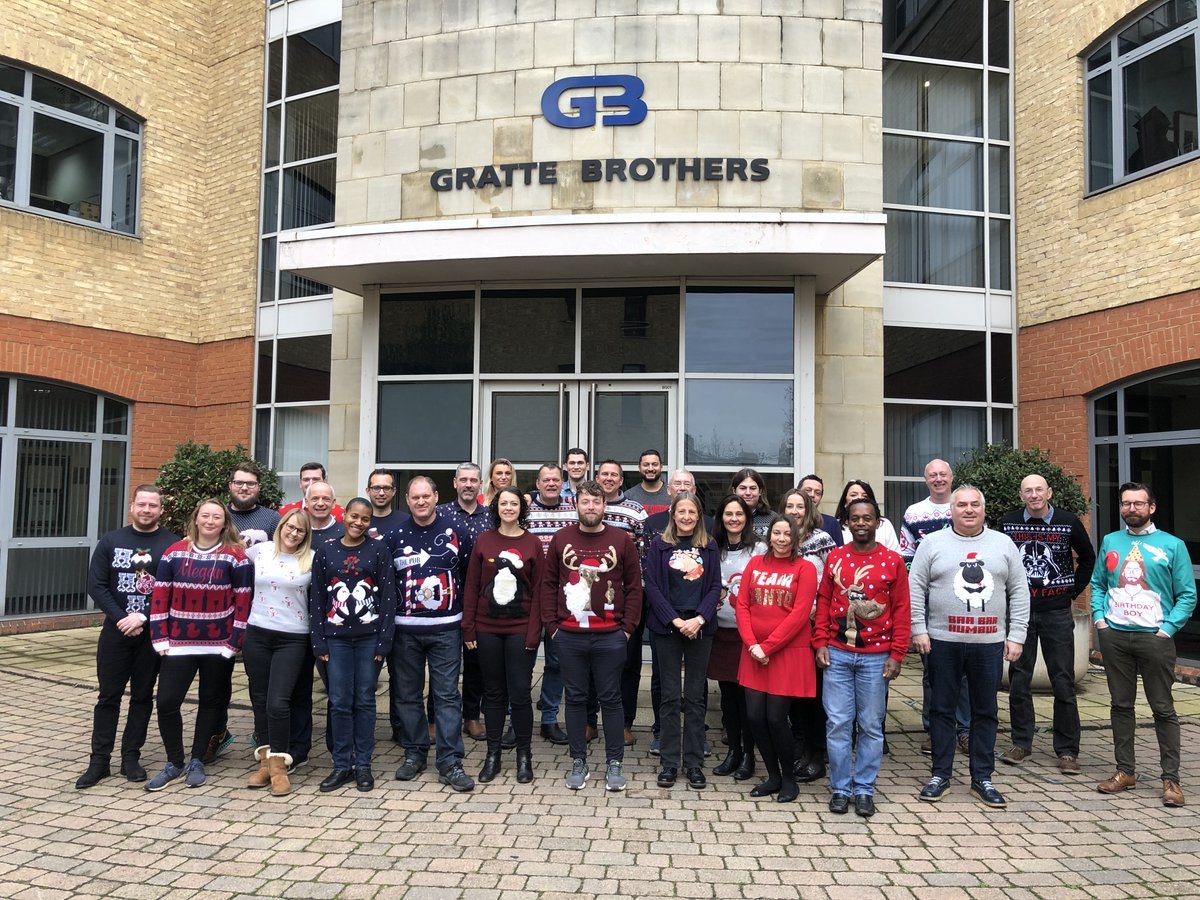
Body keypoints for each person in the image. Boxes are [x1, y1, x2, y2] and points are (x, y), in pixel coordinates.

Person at [910, 486, 1029, 808]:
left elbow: (1019, 591)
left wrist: (1016, 635)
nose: (969, 509)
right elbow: (914, 589)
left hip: (988, 645)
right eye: (962, 504)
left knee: (985, 712)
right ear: (951, 510)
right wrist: (918, 630)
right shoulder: (932, 544)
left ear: (983, 509)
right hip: (942, 643)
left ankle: (982, 777)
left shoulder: (1003, 544)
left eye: (975, 504)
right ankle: (940, 775)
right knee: (942, 710)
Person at [1092, 482, 1196, 808]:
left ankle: (1171, 780)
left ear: (1151, 507)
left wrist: (1168, 629)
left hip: (1155, 639)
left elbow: (1187, 595)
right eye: (1126, 504)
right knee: (1121, 706)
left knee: (1162, 709)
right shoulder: (1111, 541)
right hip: (1116, 637)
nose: (1131, 509)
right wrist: (1100, 620)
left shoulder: (1173, 545)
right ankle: (1125, 771)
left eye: (1138, 503)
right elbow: (1098, 584)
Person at [538, 480, 643, 792]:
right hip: (569, 635)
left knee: (611, 699)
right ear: (576, 504)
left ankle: (614, 762)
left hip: (610, 636)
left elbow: (635, 587)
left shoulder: (621, 540)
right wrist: (552, 627)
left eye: (597, 503)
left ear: (604, 506)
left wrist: (627, 630)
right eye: (585, 502)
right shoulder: (561, 539)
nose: (591, 508)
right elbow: (547, 584)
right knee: (576, 699)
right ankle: (578, 761)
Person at [76, 485, 179, 789]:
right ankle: (99, 762)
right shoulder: (111, 541)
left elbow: (171, 589)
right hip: (115, 633)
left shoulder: (172, 545)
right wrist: (122, 618)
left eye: (153, 506)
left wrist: (142, 616)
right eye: (142, 504)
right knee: (108, 697)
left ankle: (130, 758)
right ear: (132, 506)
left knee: (142, 697)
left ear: (161, 510)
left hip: (151, 635)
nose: (147, 510)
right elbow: (97, 586)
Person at [814, 497, 911, 818]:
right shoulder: (836, 559)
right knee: (838, 724)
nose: (860, 523)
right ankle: (841, 788)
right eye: (855, 518)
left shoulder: (892, 561)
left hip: (876, 656)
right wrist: (820, 643)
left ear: (877, 522)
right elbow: (825, 601)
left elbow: (901, 610)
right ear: (847, 522)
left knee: (870, 725)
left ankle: (865, 787)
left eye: (866, 518)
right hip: (838, 653)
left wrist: (897, 653)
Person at [146, 499, 252, 791]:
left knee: (211, 703)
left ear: (224, 522)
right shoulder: (173, 554)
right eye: (205, 515)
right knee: (167, 702)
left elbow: (243, 601)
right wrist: (159, 638)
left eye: (216, 517)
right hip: (178, 644)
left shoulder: (236, 557)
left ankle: (197, 760)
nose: (210, 521)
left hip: (218, 646)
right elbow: (160, 598)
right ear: (195, 519)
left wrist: (234, 643)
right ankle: (174, 761)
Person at [998, 473, 1096, 775]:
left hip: (1056, 612)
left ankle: (1067, 750)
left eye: (1039, 489)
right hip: (1020, 612)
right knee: (1019, 678)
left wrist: (1071, 592)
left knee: (1063, 680)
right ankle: (1021, 743)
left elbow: (1088, 558)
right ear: (1021, 495)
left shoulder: (1067, 521)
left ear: (1049, 492)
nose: (1034, 495)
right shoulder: (1008, 522)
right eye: (1028, 490)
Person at [386, 476, 474, 792]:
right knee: (407, 695)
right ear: (407, 500)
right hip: (405, 631)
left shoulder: (456, 532)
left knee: (447, 696)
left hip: (446, 629)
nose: (421, 502)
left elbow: (468, 574)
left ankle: (450, 761)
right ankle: (415, 753)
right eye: (415, 497)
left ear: (436, 497)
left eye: (426, 496)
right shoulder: (394, 535)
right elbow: (386, 583)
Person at [311, 498, 397, 792]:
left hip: (369, 639)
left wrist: (384, 641)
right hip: (335, 640)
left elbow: (387, 596)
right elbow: (318, 599)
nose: (358, 522)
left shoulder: (378, 549)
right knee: (338, 701)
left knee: (364, 700)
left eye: (365, 519)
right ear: (344, 515)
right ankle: (341, 765)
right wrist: (318, 641)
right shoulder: (326, 550)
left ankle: (363, 765)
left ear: (370, 522)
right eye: (354, 516)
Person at [462, 486, 544, 784]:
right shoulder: (484, 540)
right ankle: (493, 754)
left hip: (521, 630)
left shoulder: (533, 543)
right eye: (503, 503)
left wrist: (534, 632)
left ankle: (524, 756)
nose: (508, 508)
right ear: (495, 508)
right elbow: (472, 586)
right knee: (493, 694)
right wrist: (468, 626)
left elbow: (539, 593)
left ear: (521, 509)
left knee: (520, 693)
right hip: (486, 629)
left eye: (513, 504)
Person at [736, 515, 818, 803]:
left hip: (786, 654)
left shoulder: (805, 569)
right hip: (754, 653)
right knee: (755, 717)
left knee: (776, 717)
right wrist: (752, 644)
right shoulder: (755, 564)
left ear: (795, 538)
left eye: (787, 534)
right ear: (769, 536)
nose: (781, 539)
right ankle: (771, 776)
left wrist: (767, 647)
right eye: (777, 533)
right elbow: (743, 604)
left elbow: (799, 614)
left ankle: (788, 779)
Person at [643, 492, 721, 790]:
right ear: (673, 514)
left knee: (695, 697)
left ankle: (693, 762)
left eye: (692, 512)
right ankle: (669, 763)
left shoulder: (709, 546)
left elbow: (715, 585)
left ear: (699, 516)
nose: (687, 517)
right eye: (681, 512)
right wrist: (674, 620)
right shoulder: (659, 546)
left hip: (699, 627)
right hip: (668, 627)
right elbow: (651, 585)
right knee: (670, 695)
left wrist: (698, 618)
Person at [242, 509, 314, 796]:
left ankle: (281, 764)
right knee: (259, 699)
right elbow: (225, 549)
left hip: (293, 636)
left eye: (300, 531)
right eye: (290, 527)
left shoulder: (310, 559)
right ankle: (265, 763)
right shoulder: (259, 551)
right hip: (257, 632)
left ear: (306, 536)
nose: (293, 533)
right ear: (281, 526)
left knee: (278, 701)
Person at [902, 458, 969, 756]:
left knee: (965, 670)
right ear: (925, 479)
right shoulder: (914, 513)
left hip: (967, 597)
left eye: (943, 474)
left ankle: (965, 729)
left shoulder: (967, 505)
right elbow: (906, 555)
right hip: (930, 600)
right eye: (933, 475)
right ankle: (933, 729)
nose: (938, 479)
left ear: (951, 477)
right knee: (932, 669)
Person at [778, 488, 835, 783]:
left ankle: (817, 755)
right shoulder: (782, 541)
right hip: (787, 629)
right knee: (795, 696)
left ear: (809, 509)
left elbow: (834, 581)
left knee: (815, 696)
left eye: (800, 506)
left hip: (814, 628)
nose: (796, 510)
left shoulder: (821, 540)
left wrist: (814, 608)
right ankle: (800, 751)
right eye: (790, 505)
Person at [709, 495, 765, 782]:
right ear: (721, 518)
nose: (733, 519)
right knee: (728, 698)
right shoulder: (712, 548)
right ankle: (732, 750)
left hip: (749, 636)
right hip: (721, 633)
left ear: (747, 518)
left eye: (739, 514)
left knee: (747, 700)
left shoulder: (760, 550)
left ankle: (748, 755)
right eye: (728, 514)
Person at [435, 462, 491, 742]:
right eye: (464, 480)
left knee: (475, 662)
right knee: (442, 664)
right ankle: (435, 718)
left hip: (480, 601)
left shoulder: (490, 516)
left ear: (481, 484)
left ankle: (471, 717)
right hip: (445, 600)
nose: (469, 485)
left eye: (474, 480)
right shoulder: (440, 514)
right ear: (455, 483)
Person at [596, 459, 649, 746]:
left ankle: (625, 723)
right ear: (597, 477)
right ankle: (591, 722)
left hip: (627, 594)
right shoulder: (588, 505)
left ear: (620, 479)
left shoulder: (635, 511)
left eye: (614, 475)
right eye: (604, 474)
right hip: (592, 596)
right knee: (592, 659)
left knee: (628, 661)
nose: (609, 478)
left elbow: (643, 554)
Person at [525, 463, 577, 745]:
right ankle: (517, 718)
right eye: (546, 480)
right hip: (529, 597)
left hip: (562, 597)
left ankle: (549, 719)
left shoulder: (573, 509)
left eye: (555, 480)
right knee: (524, 660)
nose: (551, 484)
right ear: (538, 483)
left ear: (562, 482)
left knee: (557, 662)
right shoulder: (526, 511)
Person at [834, 480, 900, 553]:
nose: (859, 498)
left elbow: (895, 554)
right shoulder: (835, 525)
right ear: (844, 501)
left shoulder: (884, 524)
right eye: (853, 495)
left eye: (865, 496)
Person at [226, 462, 281, 549]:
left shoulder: (272, 519)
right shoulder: (218, 517)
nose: (244, 488)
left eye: (251, 483)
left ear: (259, 487)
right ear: (230, 486)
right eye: (239, 482)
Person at [279, 461, 345, 522]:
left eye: (316, 479)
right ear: (300, 483)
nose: (311, 483)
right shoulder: (284, 513)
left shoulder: (341, 513)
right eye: (306, 479)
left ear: (325, 482)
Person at [797, 474, 845, 547]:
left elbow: (839, 554)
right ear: (797, 493)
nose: (812, 495)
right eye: (807, 490)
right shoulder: (787, 521)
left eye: (817, 493)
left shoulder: (831, 523)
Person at [624, 448, 671, 515]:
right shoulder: (629, 497)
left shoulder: (672, 494)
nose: (650, 469)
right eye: (646, 465)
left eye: (654, 464)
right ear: (639, 468)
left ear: (661, 467)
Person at [731, 467, 774, 541]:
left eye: (753, 488)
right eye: (743, 488)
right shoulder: (723, 519)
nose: (748, 493)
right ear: (734, 491)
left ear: (760, 491)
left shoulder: (773, 519)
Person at [365, 467, 404, 538]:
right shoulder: (358, 523)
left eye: (386, 488)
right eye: (376, 488)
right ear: (368, 491)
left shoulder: (406, 522)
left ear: (394, 491)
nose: (381, 493)